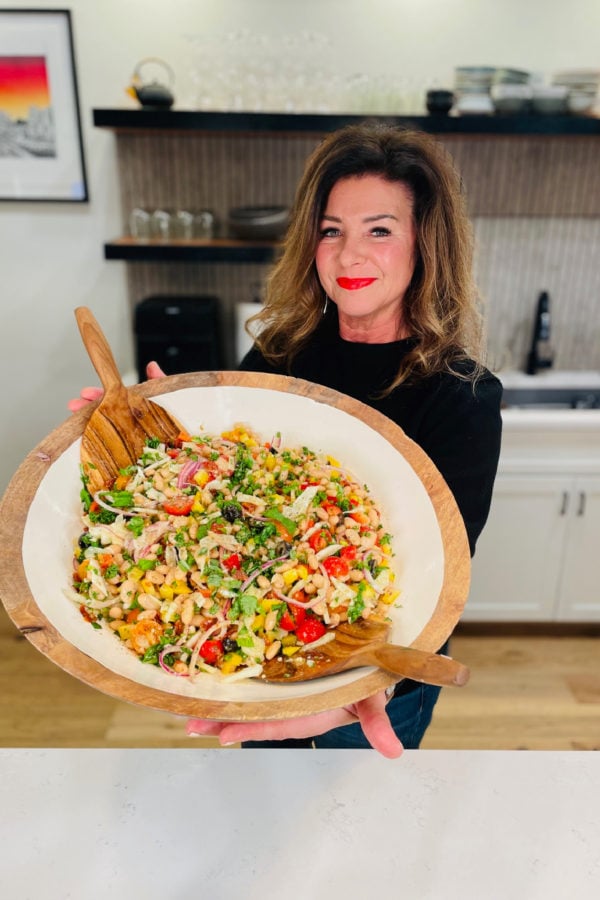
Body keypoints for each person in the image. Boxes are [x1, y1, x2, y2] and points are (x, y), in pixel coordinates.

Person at [70, 124, 502, 758]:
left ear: (424, 243)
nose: (351, 257)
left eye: (380, 231)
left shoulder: (462, 395)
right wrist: (173, 440)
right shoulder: (279, 353)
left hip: (377, 679)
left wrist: (354, 685)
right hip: (260, 671)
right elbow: (227, 469)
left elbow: (436, 574)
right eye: (332, 231)